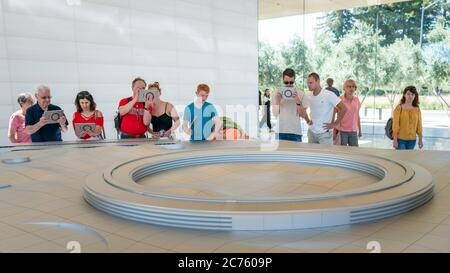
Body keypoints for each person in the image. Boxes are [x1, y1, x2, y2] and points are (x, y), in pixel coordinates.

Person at [303, 73, 347, 145]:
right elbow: (303, 110)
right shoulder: (308, 95)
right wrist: (307, 120)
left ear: (318, 82)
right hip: (311, 133)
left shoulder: (329, 94)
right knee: (312, 156)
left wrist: (335, 123)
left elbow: (344, 108)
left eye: (311, 82)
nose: (308, 85)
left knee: (326, 156)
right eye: (307, 83)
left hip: (325, 134)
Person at [272, 68, 311, 142]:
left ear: (294, 79)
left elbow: (303, 115)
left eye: (291, 82)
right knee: (280, 153)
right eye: (286, 82)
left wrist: (298, 102)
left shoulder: (301, 93)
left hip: (295, 132)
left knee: (296, 154)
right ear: (282, 79)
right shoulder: (276, 93)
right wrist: (277, 100)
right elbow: (275, 114)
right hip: (280, 131)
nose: (289, 84)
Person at [393, 86, 423, 150]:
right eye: (408, 94)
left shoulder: (417, 109)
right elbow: (395, 125)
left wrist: (420, 140)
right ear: (404, 95)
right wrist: (395, 140)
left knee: (408, 159)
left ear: (415, 96)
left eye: (412, 94)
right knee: (401, 159)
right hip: (400, 139)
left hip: (412, 140)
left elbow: (419, 125)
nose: (410, 96)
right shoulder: (399, 108)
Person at [334, 79, 362, 147]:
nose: (351, 88)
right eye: (348, 86)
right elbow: (335, 115)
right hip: (342, 131)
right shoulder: (339, 100)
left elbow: (357, 115)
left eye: (353, 86)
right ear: (344, 88)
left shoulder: (356, 100)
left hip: (353, 131)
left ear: (355, 88)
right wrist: (334, 131)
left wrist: (360, 130)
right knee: (342, 152)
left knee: (354, 152)